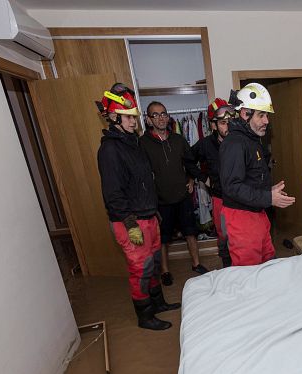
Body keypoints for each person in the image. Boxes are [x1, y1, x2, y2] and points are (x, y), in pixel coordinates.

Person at [95, 83, 179, 330]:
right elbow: (113, 194)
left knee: (153, 264)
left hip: (148, 216)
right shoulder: (109, 149)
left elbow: (144, 182)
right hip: (130, 221)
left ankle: (158, 303)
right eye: (128, 117)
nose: (134, 121)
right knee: (141, 269)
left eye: (134, 116)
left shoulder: (134, 143)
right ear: (114, 117)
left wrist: (153, 211)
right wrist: (130, 223)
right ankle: (145, 316)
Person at [219, 82, 295, 266]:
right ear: (245, 114)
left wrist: (268, 191)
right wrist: (268, 197)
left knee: (267, 264)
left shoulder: (252, 140)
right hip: (241, 218)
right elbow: (232, 187)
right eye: (261, 115)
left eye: (267, 115)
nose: (266, 121)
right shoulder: (235, 143)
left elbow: (249, 178)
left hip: (257, 213)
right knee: (249, 272)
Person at [141, 101, 208, 286]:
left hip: (182, 196)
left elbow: (190, 163)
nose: (161, 118)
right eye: (155, 115)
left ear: (168, 116)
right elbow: (142, 174)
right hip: (161, 200)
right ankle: (165, 271)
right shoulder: (143, 143)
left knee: (190, 232)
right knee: (163, 238)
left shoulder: (178, 140)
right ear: (148, 120)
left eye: (163, 114)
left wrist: (192, 180)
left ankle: (196, 264)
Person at [192, 98, 235, 267]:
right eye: (223, 123)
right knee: (224, 236)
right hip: (220, 200)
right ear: (213, 125)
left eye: (230, 121)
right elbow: (188, 160)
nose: (228, 126)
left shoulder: (239, 140)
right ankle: (227, 269)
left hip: (241, 200)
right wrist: (203, 178)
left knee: (240, 237)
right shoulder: (206, 144)